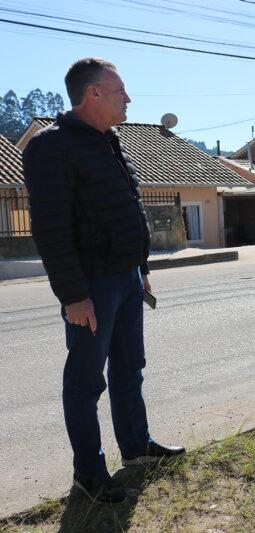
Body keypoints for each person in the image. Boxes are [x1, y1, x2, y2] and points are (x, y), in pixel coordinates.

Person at [23, 58, 185, 505]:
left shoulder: (111, 141)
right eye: (120, 91)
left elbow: (126, 208)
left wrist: (143, 269)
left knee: (130, 370)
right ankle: (90, 475)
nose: (128, 98)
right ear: (92, 94)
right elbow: (51, 229)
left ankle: (136, 448)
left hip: (128, 277)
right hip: (91, 285)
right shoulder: (50, 147)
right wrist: (74, 296)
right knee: (86, 382)